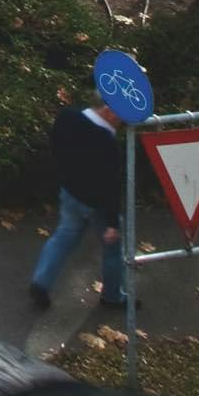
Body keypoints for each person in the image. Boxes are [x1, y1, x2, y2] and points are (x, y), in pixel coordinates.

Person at [31, 88, 136, 311]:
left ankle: (41, 281)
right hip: (95, 205)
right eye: (120, 114)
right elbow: (110, 187)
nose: (122, 119)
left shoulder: (67, 118)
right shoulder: (108, 145)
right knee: (113, 251)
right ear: (108, 111)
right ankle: (112, 296)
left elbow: (56, 147)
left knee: (63, 237)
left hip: (70, 192)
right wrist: (112, 224)